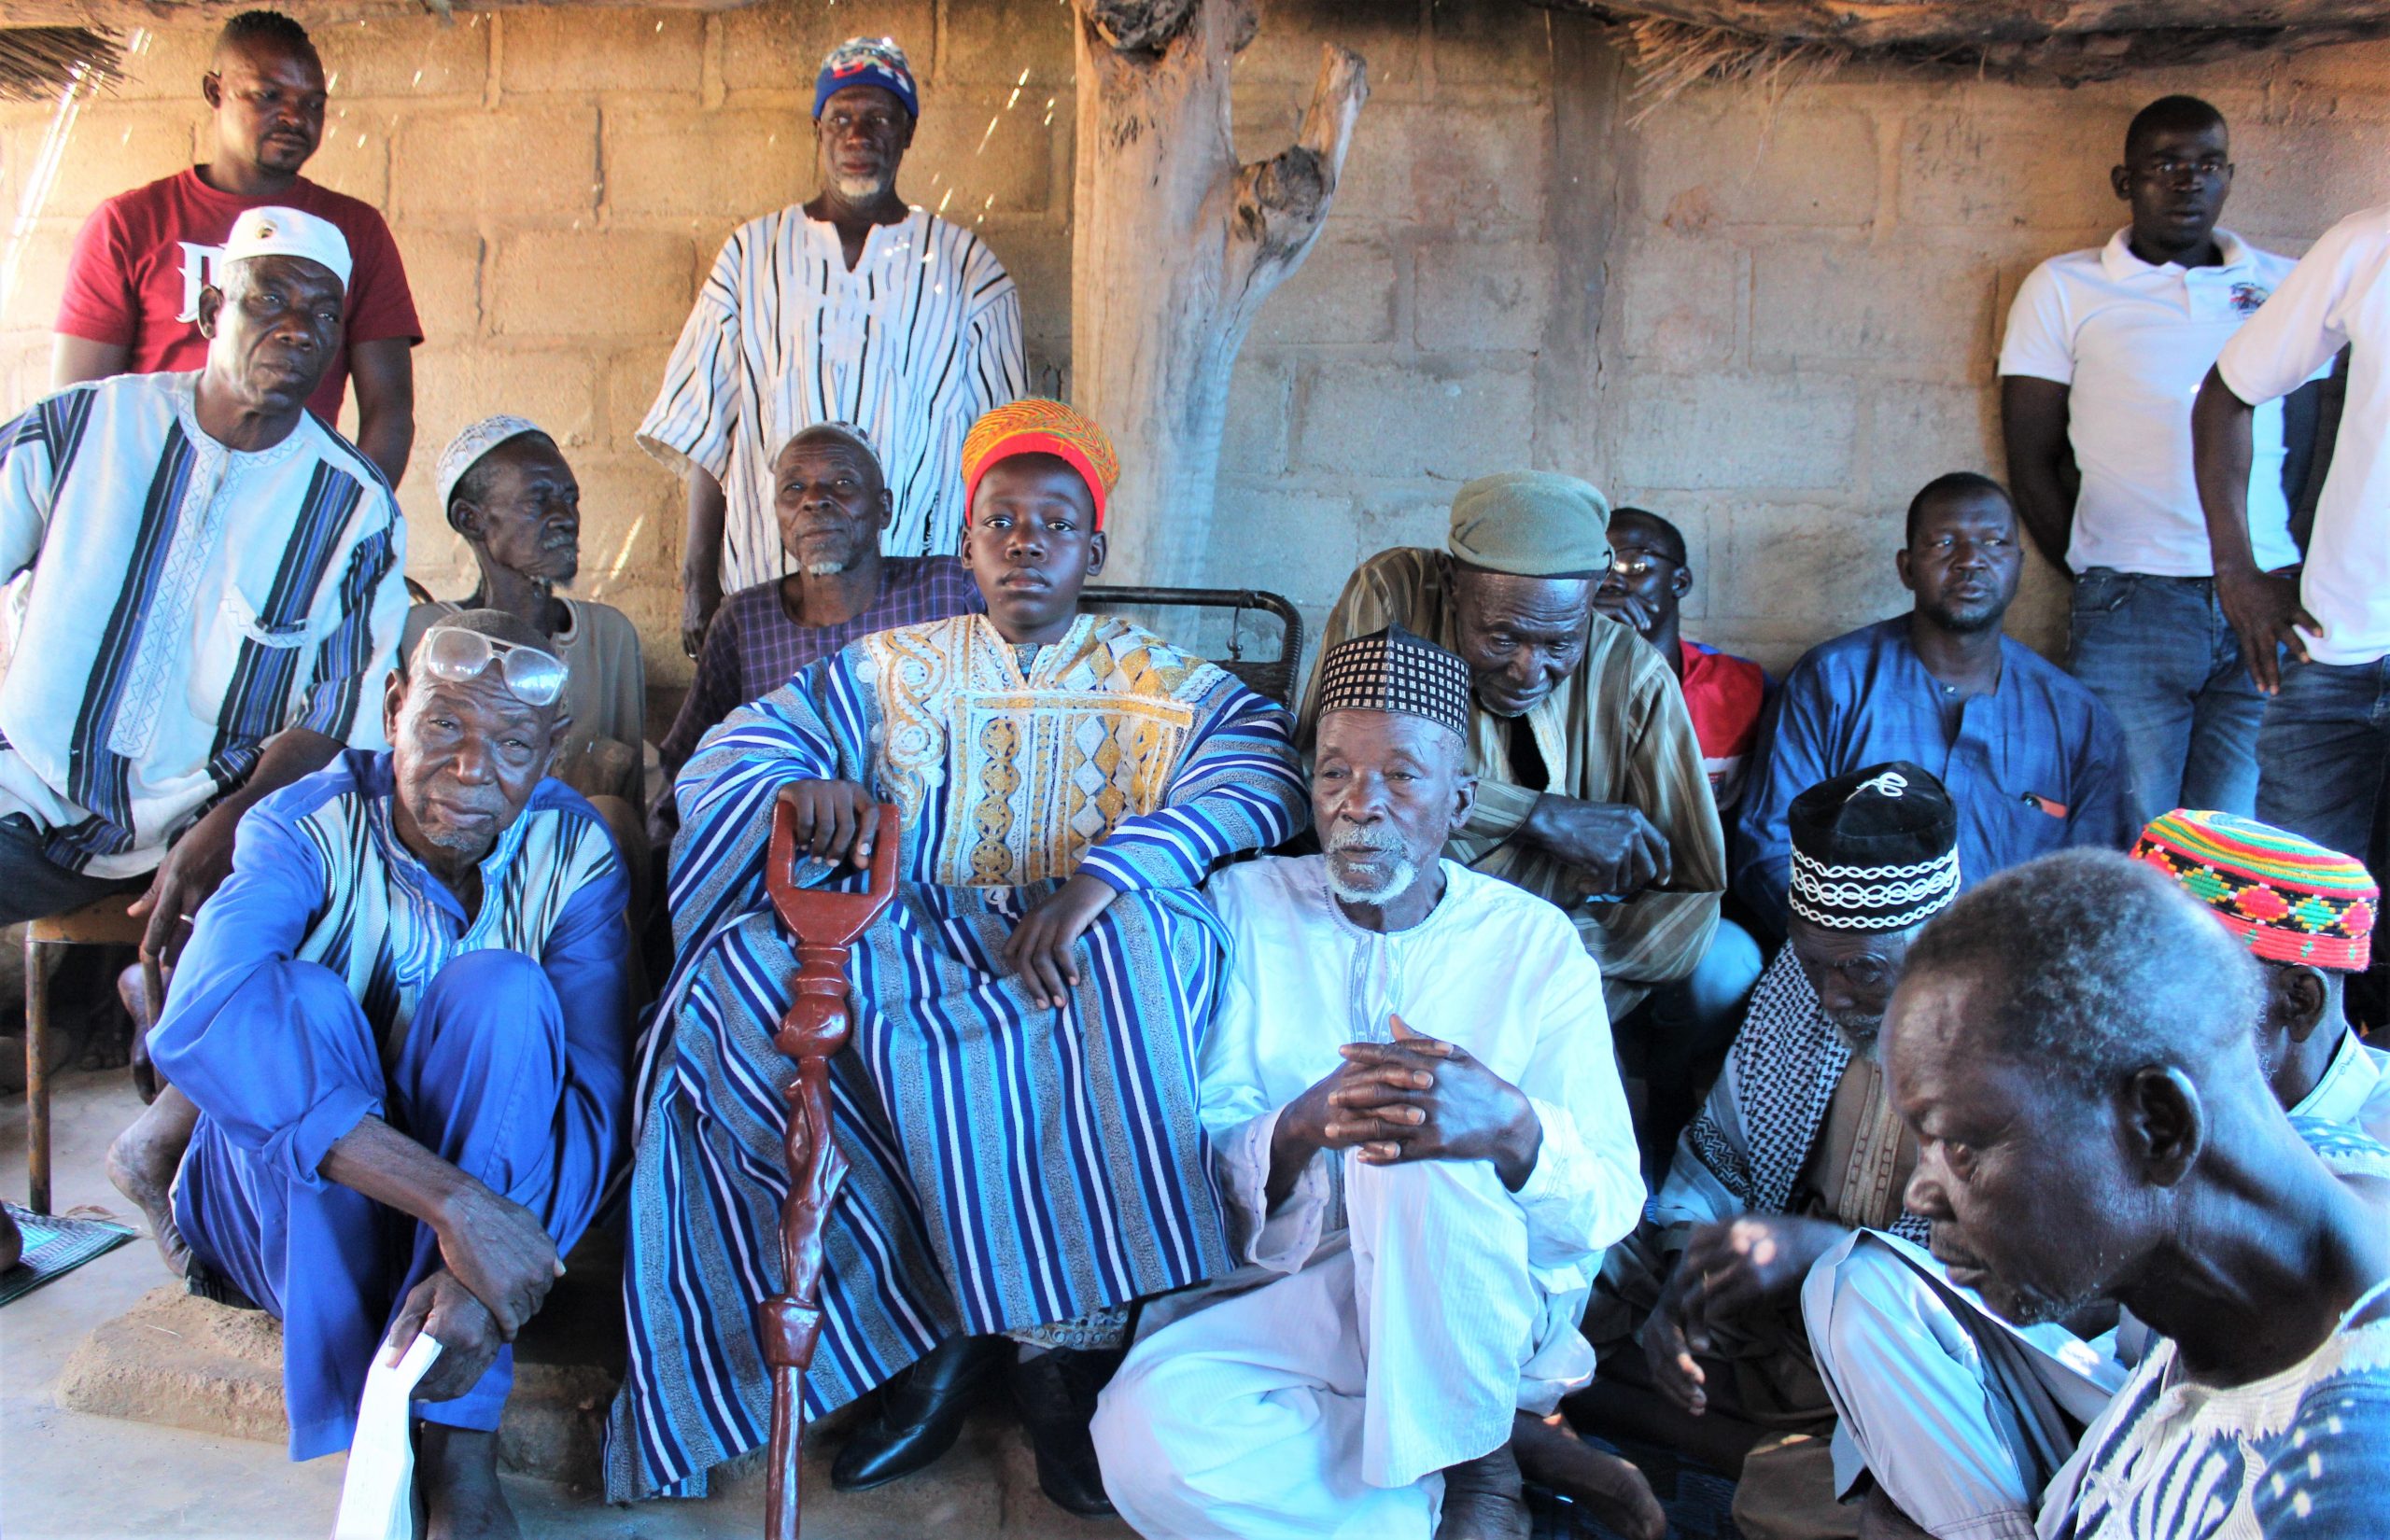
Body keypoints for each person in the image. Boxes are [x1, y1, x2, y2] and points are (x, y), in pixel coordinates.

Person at [606, 400, 1307, 1515]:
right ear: (967, 545)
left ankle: (1054, 1359)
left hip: (1070, 952)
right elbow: (733, 752)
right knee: (738, 983)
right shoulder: (889, 668)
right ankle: (932, 1334)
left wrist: (1108, 876)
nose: (1027, 545)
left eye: (1055, 525)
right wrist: (800, 784)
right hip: (915, 939)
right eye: (1001, 523)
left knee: (1145, 951)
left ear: (1094, 550)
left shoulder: (1160, 679)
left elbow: (1264, 770)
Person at [1092, 625, 1661, 1540]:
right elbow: (1193, 1154)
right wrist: (1302, 1124)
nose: (1361, 804)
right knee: (1142, 1444)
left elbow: (1607, 1200)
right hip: (1296, 1288)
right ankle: (1478, 1460)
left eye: (1401, 775)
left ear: (1459, 800)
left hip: (1479, 1309)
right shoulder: (1244, 907)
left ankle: (1481, 1477)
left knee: (1415, 1136)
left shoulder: (1533, 944)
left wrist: (1510, 1129)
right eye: (1335, 774)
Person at [137, 609, 634, 1538]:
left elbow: (597, 1097)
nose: (472, 769)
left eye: (512, 745)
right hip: (284, 1208)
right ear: (394, 708)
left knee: (506, 994)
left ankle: (458, 1444)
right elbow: (202, 1014)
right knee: (302, 1002)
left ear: (552, 749)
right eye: (443, 725)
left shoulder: (573, 854)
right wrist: (457, 1207)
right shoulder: (304, 823)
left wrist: (483, 1269)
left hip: (473, 1211)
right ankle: (385, 1442)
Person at [1800, 808, 2387, 1540]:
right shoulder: (2247, 1238)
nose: (1921, 1194)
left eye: (1965, 1145)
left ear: (2161, 1125)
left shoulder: (2329, 1483)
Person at [0, 204, 406, 957]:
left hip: (214, 826)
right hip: (28, 796)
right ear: (214, 309)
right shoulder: (81, 428)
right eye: (270, 299)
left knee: (296, 950)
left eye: (325, 315)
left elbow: (341, 710)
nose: (299, 329)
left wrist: (239, 817)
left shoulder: (355, 511)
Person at [1581, 762, 1961, 1540]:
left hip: (1895, 1340)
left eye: (1863, 970)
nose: (1832, 995)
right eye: (1815, 963)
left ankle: (1722, 1451)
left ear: (1936, 947)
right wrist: (1691, 1272)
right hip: (1765, 1315)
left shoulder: (2000, 1044)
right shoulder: (1803, 980)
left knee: (1899, 1452)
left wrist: (1821, 1255)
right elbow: (1721, 1157)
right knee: (1579, 1261)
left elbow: (1987, 1296)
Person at [1302, 473, 1730, 1151]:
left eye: (1560, 644)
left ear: (1592, 599)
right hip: (1381, 934)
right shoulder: (1397, 597)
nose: (1530, 669)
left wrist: (1536, 965)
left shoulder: (1632, 676)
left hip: (1544, 969)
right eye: (1502, 639)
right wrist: (1540, 815)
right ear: (1454, 585)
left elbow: (1692, 890)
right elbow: (1346, 772)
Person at [640, 35, 1024, 659]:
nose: (857, 135)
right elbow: (709, 431)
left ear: (908, 132)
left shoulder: (968, 270)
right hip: (769, 586)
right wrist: (697, 582)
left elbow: (998, 459)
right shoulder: (751, 256)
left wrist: (991, 589)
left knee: (896, 720)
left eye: (879, 119)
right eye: (841, 118)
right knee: (773, 722)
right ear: (817, 128)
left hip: (915, 598)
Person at [2002, 95, 2316, 824]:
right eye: (2165, 164)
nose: (2188, 181)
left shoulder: (2285, 285)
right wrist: (2101, 567)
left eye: (2208, 165)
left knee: (2233, 841)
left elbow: (2303, 447)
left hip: (2265, 597)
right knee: (2132, 833)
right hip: (2131, 604)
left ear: (2230, 177)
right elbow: (2033, 462)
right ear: (2125, 181)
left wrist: (2271, 561)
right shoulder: (2064, 287)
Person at [1734, 473, 2134, 940]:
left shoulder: (2076, 719)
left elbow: (2100, 883)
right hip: (1852, 961)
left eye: (1994, 543)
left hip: (2015, 969)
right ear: (1906, 568)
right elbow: (1769, 851)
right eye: (1944, 543)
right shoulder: (1832, 682)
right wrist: (1857, 953)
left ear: (2018, 566)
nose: (1970, 560)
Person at [52, 10, 418, 486]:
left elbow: (390, 408)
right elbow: (80, 402)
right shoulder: (130, 223)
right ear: (214, 91)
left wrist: (341, 512)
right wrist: (126, 507)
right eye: (268, 95)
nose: (295, 117)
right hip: (149, 487)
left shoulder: (354, 230)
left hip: (287, 498)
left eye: (313, 103)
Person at [651, 421, 982, 838]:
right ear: (778, 514)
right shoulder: (745, 621)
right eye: (794, 488)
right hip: (792, 856)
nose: (814, 500)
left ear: (884, 508)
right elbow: (692, 764)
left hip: (934, 851)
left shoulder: (948, 592)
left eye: (843, 483)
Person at [2193, 203, 2390, 875]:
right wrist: (2235, 570)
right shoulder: (2369, 243)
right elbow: (2229, 389)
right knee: (2293, 918)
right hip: (2333, 655)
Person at [401, 415, 648, 857]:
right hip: (449, 855)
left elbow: (628, 811)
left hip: (574, 868)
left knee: (612, 814)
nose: (565, 518)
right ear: (471, 520)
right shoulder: (424, 635)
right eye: (538, 501)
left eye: (570, 500)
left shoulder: (609, 636)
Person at [1593, 506, 1770, 814]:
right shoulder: (1547, 680)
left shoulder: (1742, 688)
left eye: (1633, 564)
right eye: (1597, 566)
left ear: (1680, 582)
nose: (1609, 582)